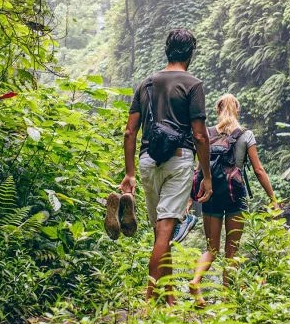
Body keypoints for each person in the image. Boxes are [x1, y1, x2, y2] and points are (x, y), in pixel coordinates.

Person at [119, 29, 213, 306]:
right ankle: (150, 296)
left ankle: (168, 298)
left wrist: (130, 173)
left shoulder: (145, 84)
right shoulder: (192, 84)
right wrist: (206, 176)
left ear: (167, 50)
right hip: (179, 159)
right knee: (166, 229)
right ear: (190, 53)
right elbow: (200, 135)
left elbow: (129, 132)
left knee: (163, 230)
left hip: (148, 161)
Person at [189, 93, 277, 307]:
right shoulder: (246, 135)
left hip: (210, 194)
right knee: (232, 251)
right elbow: (258, 169)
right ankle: (227, 300)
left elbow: (199, 170)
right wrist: (273, 198)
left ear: (218, 110)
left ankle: (195, 280)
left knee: (212, 248)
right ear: (237, 110)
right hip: (235, 195)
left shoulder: (207, 134)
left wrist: (191, 199)